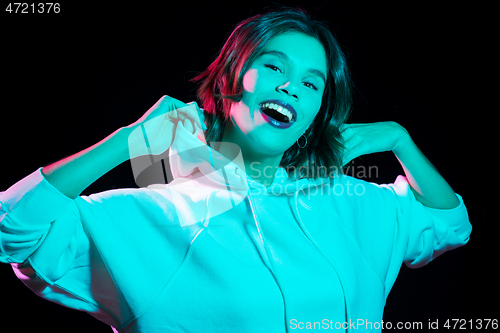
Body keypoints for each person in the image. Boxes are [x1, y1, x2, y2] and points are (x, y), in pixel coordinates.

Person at [0, 8, 471, 333]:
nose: (291, 87)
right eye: (273, 66)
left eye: (312, 84)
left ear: (316, 111)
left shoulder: (352, 201)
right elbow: (14, 229)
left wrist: (398, 139)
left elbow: (451, 224)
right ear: (229, 79)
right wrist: (127, 141)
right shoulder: (156, 214)